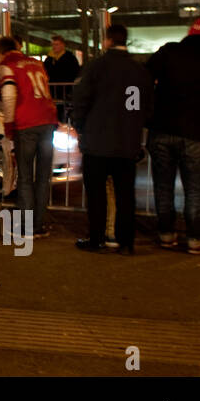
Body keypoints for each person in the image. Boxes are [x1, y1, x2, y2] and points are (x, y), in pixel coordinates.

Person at [146, 11, 200, 254]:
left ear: (191, 33)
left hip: (162, 128)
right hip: (195, 132)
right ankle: (195, 239)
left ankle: (166, 234)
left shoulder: (169, 51)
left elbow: (144, 77)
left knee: (163, 185)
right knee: (194, 187)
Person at [72, 24, 152, 255]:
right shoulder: (139, 71)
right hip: (127, 141)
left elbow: (81, 102)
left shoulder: (96, 68)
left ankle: (96, 237)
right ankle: (126, 239)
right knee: (126, 194)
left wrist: (81, 128)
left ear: (107, 41)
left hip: (98, 141)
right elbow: (143, 108)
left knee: (96, 195)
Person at [0, 36, 58, 237]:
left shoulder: (7, 65)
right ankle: (39, 223)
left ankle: (26, 226)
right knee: (42, 177)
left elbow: (9, 96)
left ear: (1, 52)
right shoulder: (36, 63)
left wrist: (9, 126)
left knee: (24, 177)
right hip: (48, 120)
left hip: (26, 123)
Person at [42, 35, 80, 122]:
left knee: (63, 110)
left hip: (65, 90)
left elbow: (74, 72)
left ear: (63, 45)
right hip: (53, 90)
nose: (54, 47)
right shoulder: (49, 59)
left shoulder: (70, 58)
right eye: (53, 45)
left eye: (57, 44)